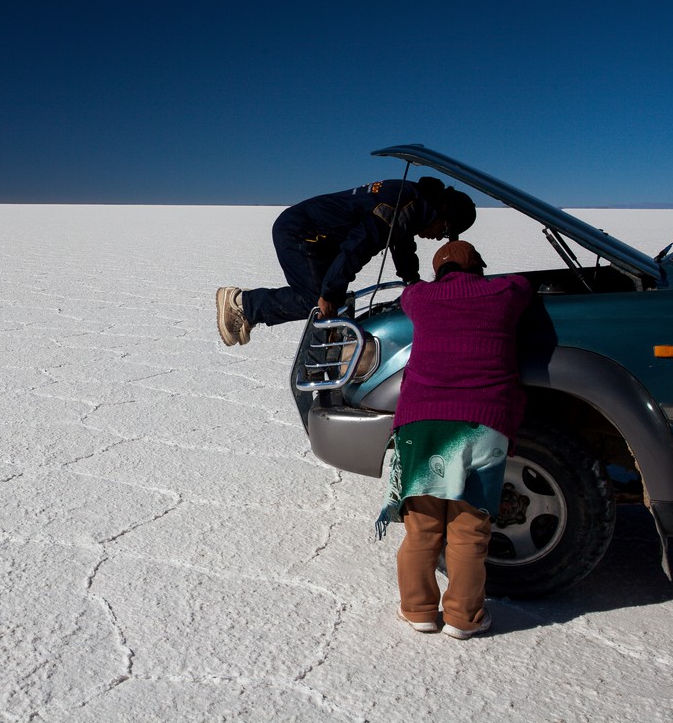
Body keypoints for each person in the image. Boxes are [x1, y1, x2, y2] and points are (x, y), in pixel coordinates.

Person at [375, 240, 533, 639]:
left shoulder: (420, 298)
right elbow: (523, 285)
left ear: (437, 272)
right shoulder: (504, 294)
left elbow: (409, 292)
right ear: (478, 267)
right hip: (483, 424)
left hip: (422, 424)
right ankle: (464, 617)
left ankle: (418, 611)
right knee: (468, 529)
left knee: (423, 528)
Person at [216, 177, 476, 346]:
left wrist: (412, 281)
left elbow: (402, 245)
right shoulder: (402, 206)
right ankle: (244, 304)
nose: (438, 238)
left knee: (332, 300)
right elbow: (356, 248)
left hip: (316, 235)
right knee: (317, 299)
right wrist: (329, 293)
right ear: (443, 212)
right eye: (444, 231)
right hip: (302, 232)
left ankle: (331, 356)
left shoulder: (412, 202)